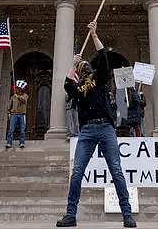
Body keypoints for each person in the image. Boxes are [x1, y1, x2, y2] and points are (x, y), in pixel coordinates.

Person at [56, 22, 136, 228]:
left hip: (106, 129)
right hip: (87, 131)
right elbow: (66, 84)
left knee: (116, 171)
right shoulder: (77, 87)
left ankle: (127, 215)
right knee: (77, 173)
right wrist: (72, 65)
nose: (85, 69)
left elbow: (102, 56)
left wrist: (94, 35)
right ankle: (70, 214)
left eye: (85, 66)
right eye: (81, 68)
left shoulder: (100, 80)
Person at [6, 80, 28, 148]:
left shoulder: (25, 96)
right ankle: (9, 142)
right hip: (14, 114)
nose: (17, 90)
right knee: (11, 129)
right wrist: (9, 112)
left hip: (22, 114)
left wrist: (18, 97)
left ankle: (22, 142)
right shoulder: (13, 97)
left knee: (22, 129)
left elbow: (24, 100)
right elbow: (10, 105)